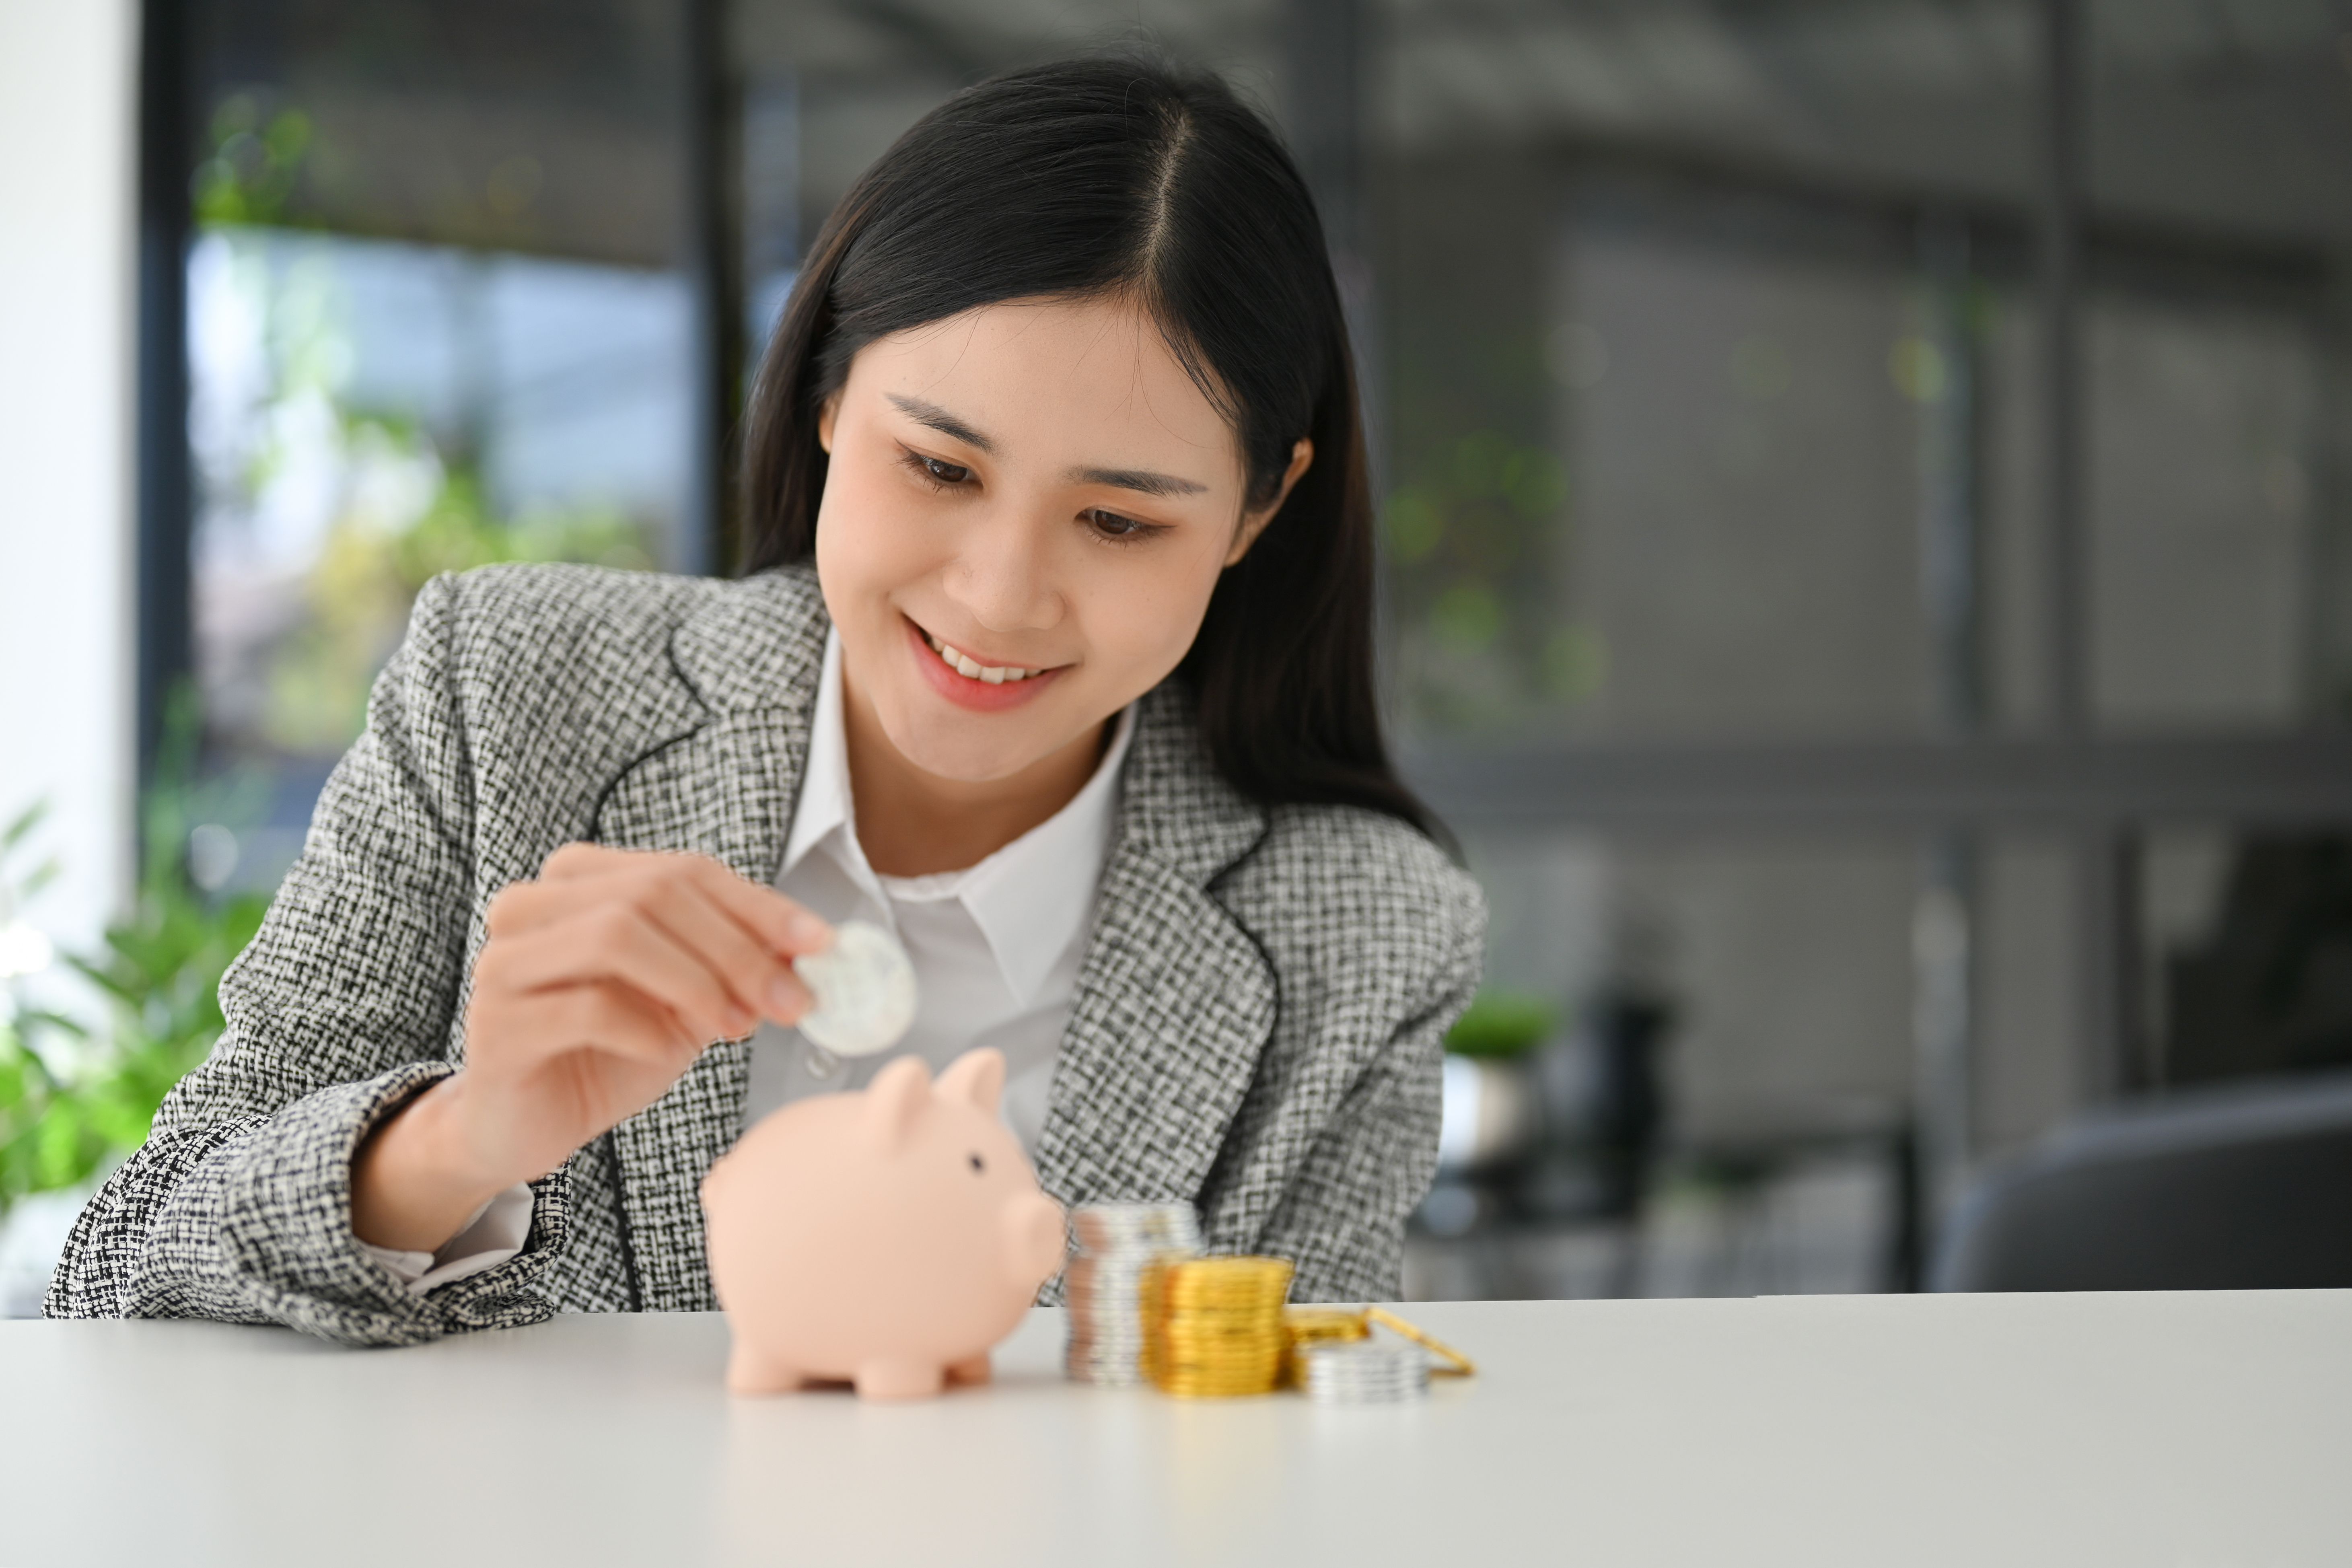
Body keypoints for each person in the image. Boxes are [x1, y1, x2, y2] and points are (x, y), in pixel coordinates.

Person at [48, 54, 1484, 1343]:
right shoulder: (509, 689)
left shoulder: (1362, 928)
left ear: (1256, 512)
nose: (997, 598)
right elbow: (116, 1272)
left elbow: (1300, 1473)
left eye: (1118, 523)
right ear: (825, 395)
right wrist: (460, 1139)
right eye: (939, 467)